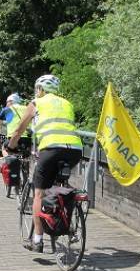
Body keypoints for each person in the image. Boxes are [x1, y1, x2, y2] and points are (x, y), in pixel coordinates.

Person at [7, 75, 83, 253]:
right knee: (59, 183)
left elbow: (20, 128)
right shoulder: (67, 103)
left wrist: (11, 145)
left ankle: (38, 240)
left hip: (50, 149)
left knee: (39, 192)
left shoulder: (36, 103)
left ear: (40, 89)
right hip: (75, 150)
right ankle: (68, 216)